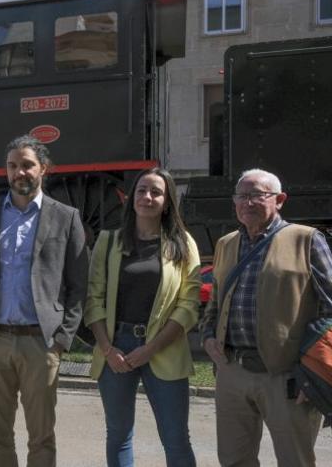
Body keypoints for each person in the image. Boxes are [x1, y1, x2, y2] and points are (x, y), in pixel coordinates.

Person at [0, 136, 88, 467]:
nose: (19, 172)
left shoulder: (66, 217)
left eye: (26, 164)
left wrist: (62, 340)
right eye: (12, 165)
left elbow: (78, 285)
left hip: (41, 343)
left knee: (41, 437)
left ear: (43, 169)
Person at [201, 168, 332, 466]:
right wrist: (208, 337)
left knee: (294, 461)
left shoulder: (307, 240)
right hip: (232, 371)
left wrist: (312, 374)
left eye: (257, 195)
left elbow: (330, 308)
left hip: (288, 377)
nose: (248, 202)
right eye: (242, 196)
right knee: (234, 460)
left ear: (280, 199)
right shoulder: (226, 244)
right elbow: (215, 303)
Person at [84, 167, 200, 467]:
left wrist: (151, 348)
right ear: (131, 196)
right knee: (119, 435)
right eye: (141, 191)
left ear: (167, 201)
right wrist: (108, 349)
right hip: (115, 348)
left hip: (164, 348)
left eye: (156, 192)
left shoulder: (183, 244)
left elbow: (188, 305)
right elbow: (93, 299)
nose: (147, 197)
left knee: (176, 439)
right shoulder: (108, 242)